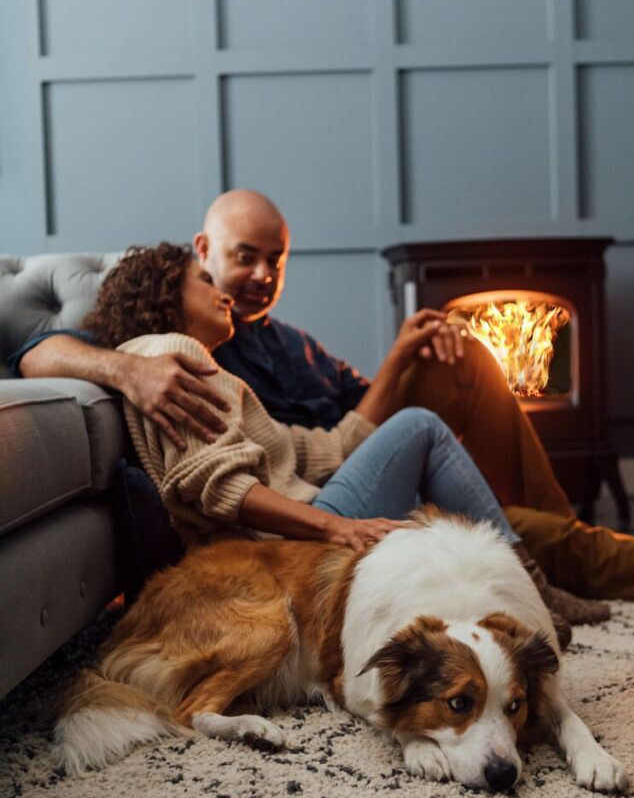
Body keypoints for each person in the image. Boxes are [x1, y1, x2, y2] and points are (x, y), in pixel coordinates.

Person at [13, 191, 634, 609]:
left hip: (339, 477)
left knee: (462, 366)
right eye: (239, 261)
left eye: (277, 260)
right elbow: (36, 354)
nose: (257, 279)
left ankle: (536, 528)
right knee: (530, 523)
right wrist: (128, 371)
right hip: (312, 517)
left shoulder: (286, 344)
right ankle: (553, 566)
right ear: (202, 255)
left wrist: (405, 354)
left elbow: (331, 440)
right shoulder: (165, 356)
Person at [79, 242, 580, 646]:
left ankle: (528, 581)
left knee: (416, 429)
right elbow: (222, 488)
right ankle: (531, 588)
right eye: (205, 281)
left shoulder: (193, 365)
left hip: (294, 523)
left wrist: (398, 359)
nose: (224, 295)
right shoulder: (173, 354)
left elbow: (319, 451)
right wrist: (339, 526)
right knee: (422, 424)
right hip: (279, 547)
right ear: (168, 295)